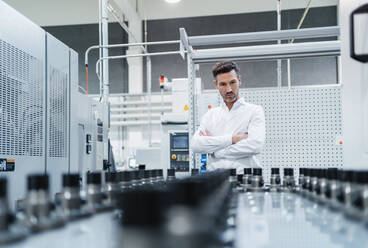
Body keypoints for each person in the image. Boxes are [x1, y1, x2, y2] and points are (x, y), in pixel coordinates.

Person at [191, 61, 265, 173]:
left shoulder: (254, 111)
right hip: (215, 180)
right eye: (223, 84)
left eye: (232, 82)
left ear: (239, 80)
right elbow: (196, 145)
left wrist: (216, 151)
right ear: (216, 85)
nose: (229, 89)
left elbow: (255, 145)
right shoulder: (210, 115)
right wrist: (233, 139)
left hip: (246, 179)